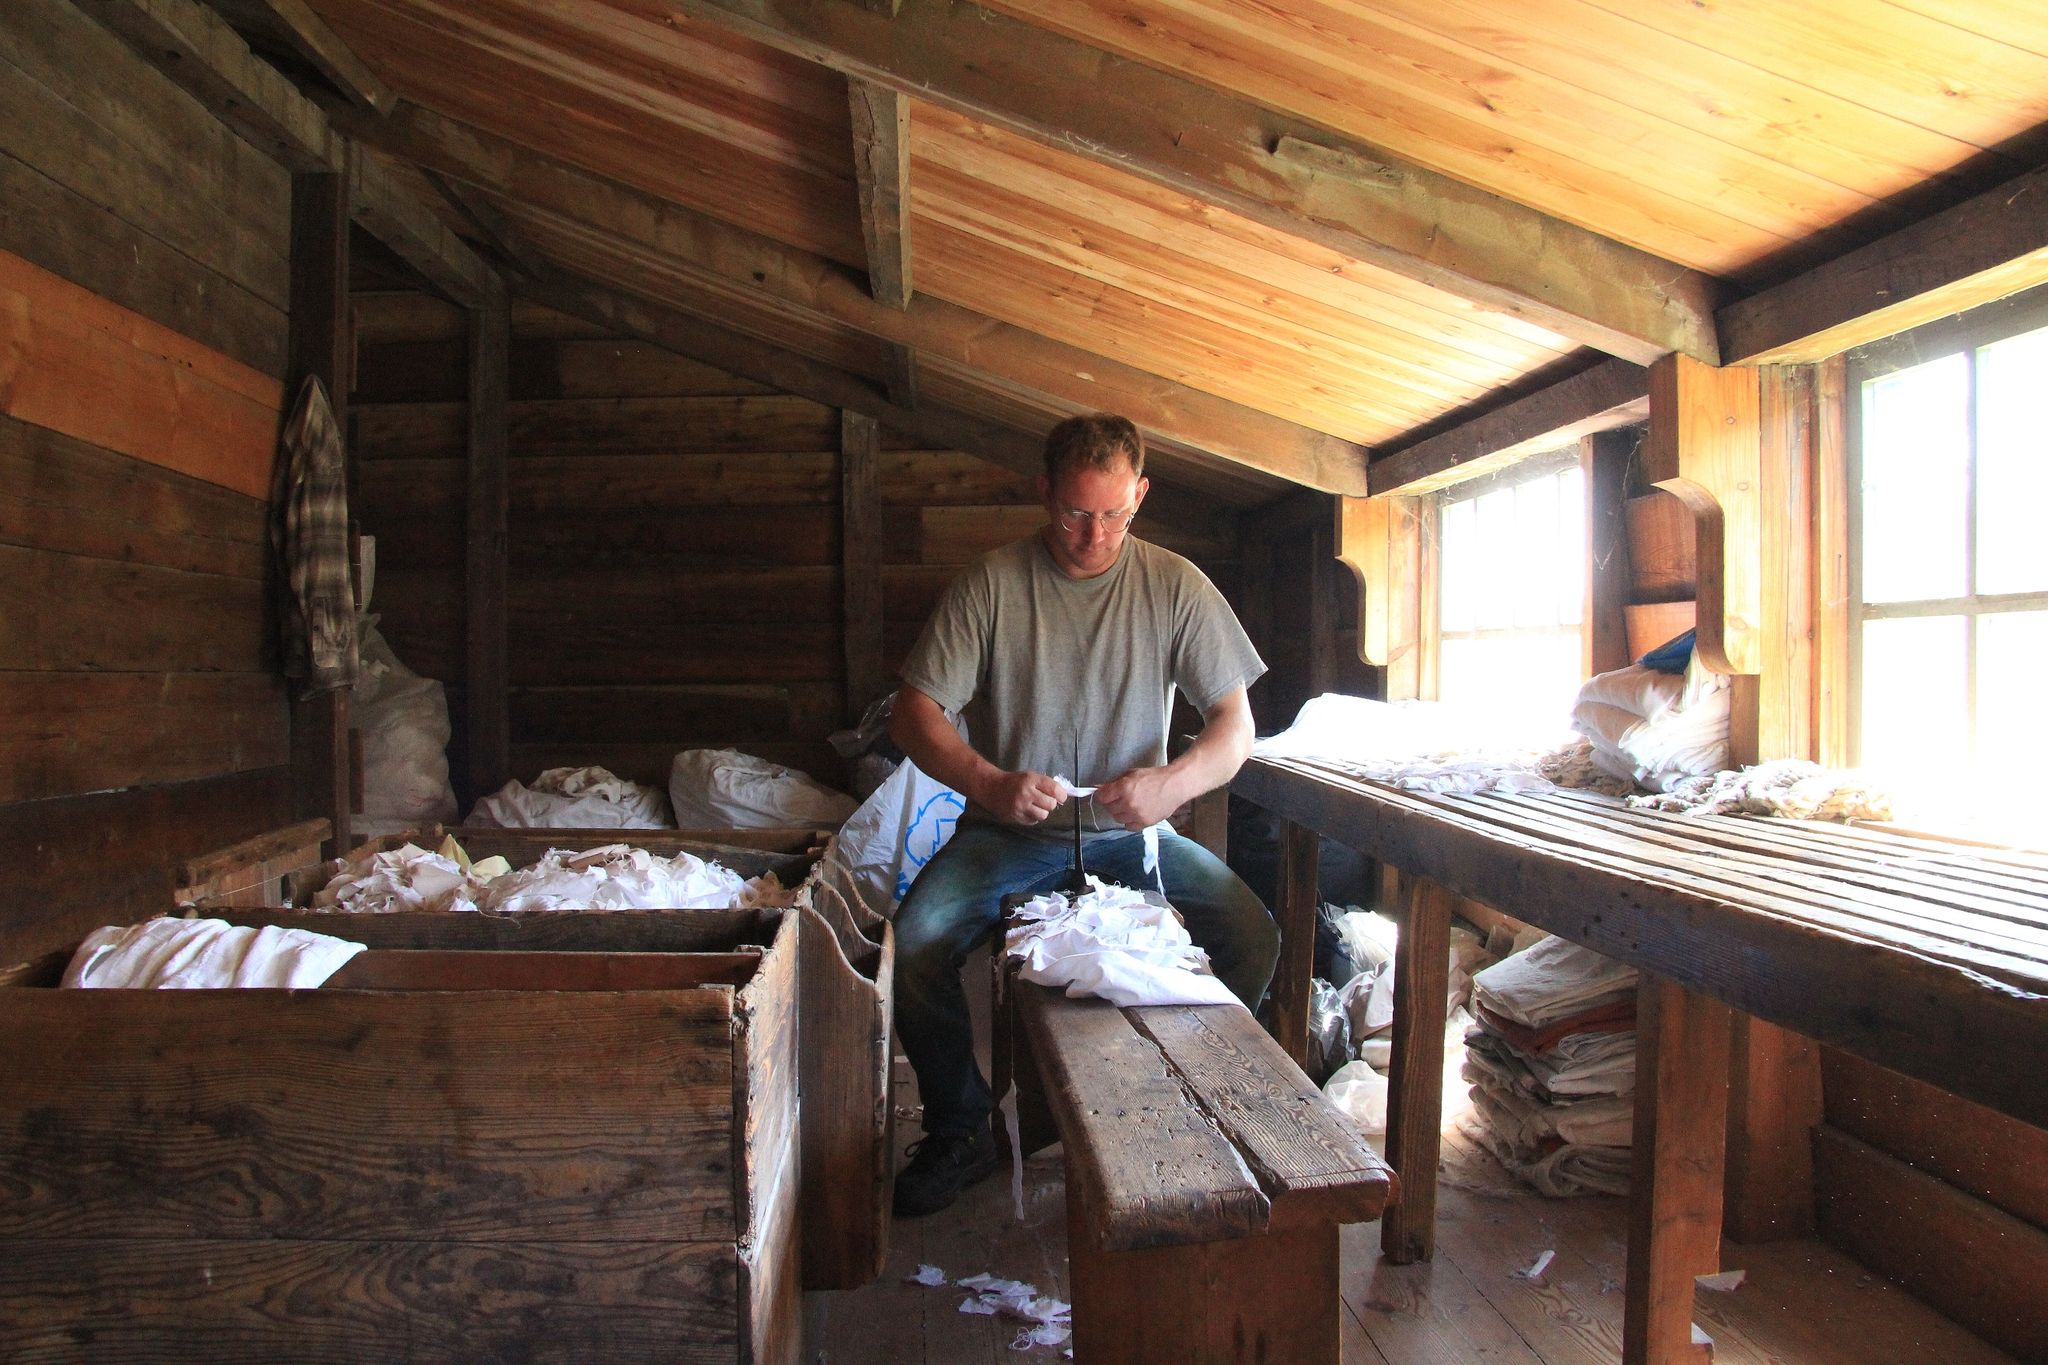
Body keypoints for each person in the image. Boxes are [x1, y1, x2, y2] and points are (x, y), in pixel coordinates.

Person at [885, 412, 1281, 1217]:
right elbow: (914, 711)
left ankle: (1174, 1095)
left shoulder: (1175, 585)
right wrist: (989, 782)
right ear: (1043, 493)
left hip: (1134, 838)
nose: (1092, 534)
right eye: (1073, 512)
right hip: (1008, 833)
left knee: (1251, 934)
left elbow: (1235, 725)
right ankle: (964, 1126)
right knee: (915, 943)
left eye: (1111, 513)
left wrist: (1171, 786)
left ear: (1140, 494)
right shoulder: (993, 583)